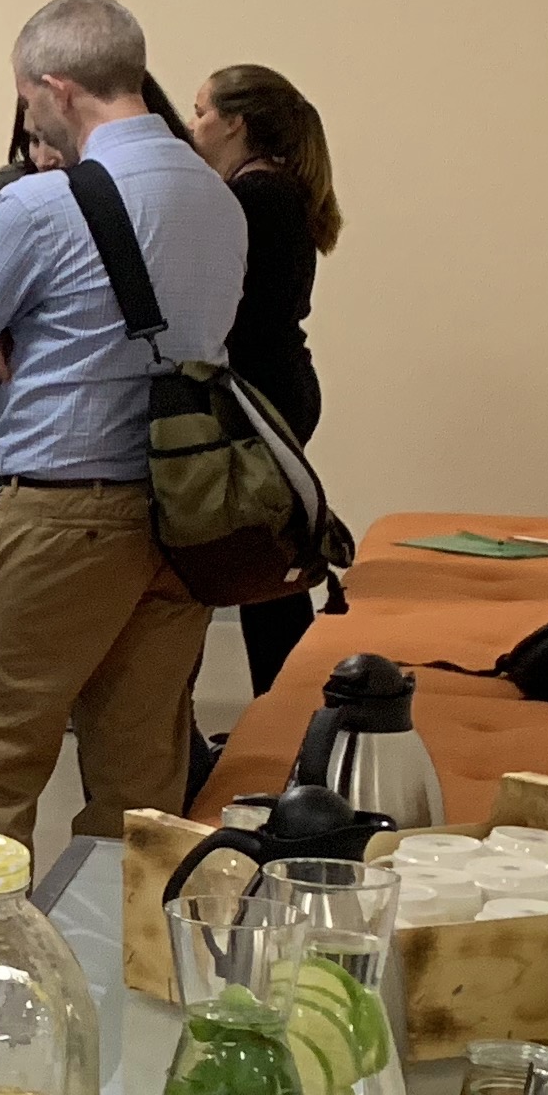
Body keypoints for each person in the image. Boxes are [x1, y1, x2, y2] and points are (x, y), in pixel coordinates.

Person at [0, 0, 248, 849]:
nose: (28, 116)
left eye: (27, 97)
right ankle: (116, 933)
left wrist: (12, 355)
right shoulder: (218, 199)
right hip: (182, 515)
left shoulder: (37, 207)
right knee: (140, 778)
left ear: (56, 88)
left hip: (61, 515)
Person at [192, 64, 340, 700]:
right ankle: (283, 710)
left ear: (235, 123)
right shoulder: (271, 191)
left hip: (259, 393)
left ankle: (285, 710)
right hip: (276, 386)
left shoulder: (255, 197)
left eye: (201, 112)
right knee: (263, 567)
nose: (193, 125)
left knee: (259, 569)